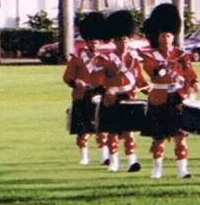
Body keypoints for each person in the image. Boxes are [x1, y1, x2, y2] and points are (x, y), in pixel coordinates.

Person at [138, 3, 200, 180]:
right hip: (159, 97)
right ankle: (157, 168)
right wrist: (169, 72)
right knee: (159, 137)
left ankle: (182, 169)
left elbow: (190, 72)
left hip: (178, 98)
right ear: (157, 37)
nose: (166, 39)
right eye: (163, 35)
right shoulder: (150, 56)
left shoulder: (181, 55)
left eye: (169, 35)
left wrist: (194, 82)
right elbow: (155, 72)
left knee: (180, 136)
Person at [91, 9, 146, 173]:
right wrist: (107, 89)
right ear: (114, 42)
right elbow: (97, 78)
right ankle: (114, 162)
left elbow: (140, 79)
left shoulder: (134, 59)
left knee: (129, 132)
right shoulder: (105, 59)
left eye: (126, 39)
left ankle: (132, 161)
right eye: (120, 40)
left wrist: (150, 90)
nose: (123, 43)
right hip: (112, 98)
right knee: (112, 132)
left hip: (129, 96)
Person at [62, 10, 107, 165]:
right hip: (82, 95)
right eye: (91, 42)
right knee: (83, 131)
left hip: (100, 95)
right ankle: (84, 157)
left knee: (102, 129)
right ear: (87, 42)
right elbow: (67, 77)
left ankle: (104, 157)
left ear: (100, 43)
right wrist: (76, 83)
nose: (94, 45)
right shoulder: (77, 58)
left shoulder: (105, 59)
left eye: (96, 42)